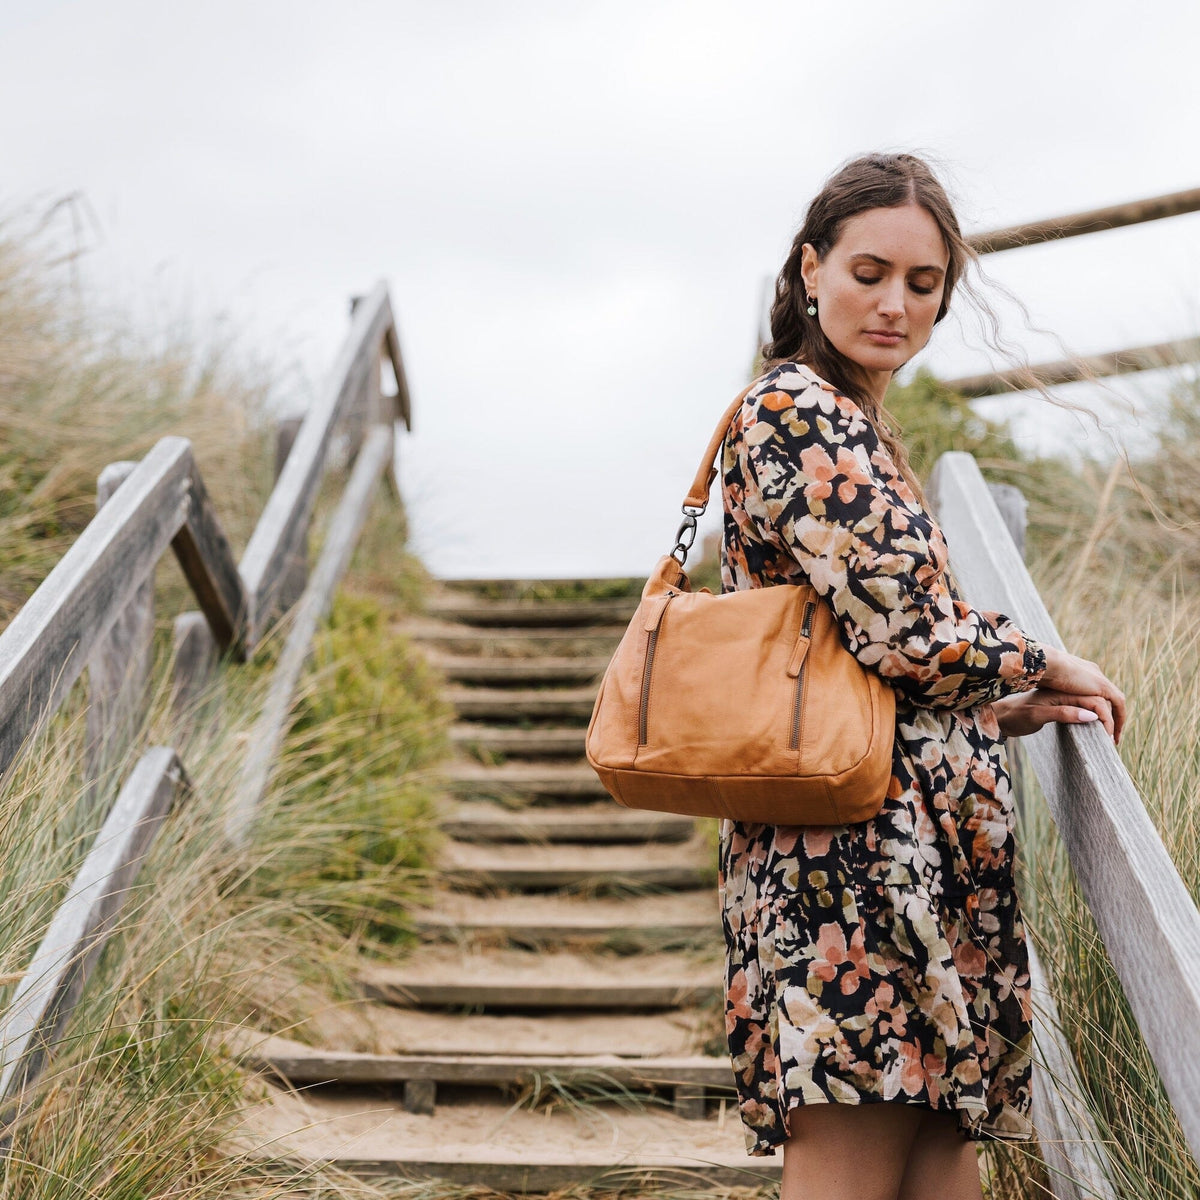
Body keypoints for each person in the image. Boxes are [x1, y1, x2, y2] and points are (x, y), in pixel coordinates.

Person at [717, 153, 1126, 1200]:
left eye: (923, 282)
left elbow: (882, 645)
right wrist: (1042, 655)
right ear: (810, 270)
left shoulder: (857, 423)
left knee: (940, 1172)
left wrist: (998, 701)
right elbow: (905, 630)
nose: (894, 302)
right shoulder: (794, 413)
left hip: (915, 869)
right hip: (847, 876)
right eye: (868, 271)